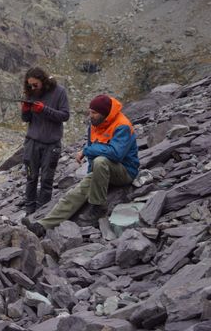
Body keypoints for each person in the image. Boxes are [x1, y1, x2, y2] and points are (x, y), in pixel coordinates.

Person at [22, 94, 139, 237]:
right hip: (102, 170)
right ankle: (42, 226)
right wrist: (91, 174)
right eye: (90, 112)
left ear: (105, 114)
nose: (91, 116)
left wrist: (86, 150)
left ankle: (98, 208)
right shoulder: (95, 125)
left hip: (125, 171)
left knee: (100, 161)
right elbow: (93, 156)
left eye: (94, 113)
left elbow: (116, 154)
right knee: (74, 194)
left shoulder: (123, 126)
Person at [20, 67, 70, 214]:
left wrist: (44, 109)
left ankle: (42, 213)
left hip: (51, 144)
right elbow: (26, 119)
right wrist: (25, 110)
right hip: (32, 143)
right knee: (31, 177)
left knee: (47, 180)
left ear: (43, 81)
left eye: (35, 84)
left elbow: (65, 115)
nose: (33, 88)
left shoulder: (59, 91)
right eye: (30, 85)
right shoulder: (30, 93)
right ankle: (29, 210)